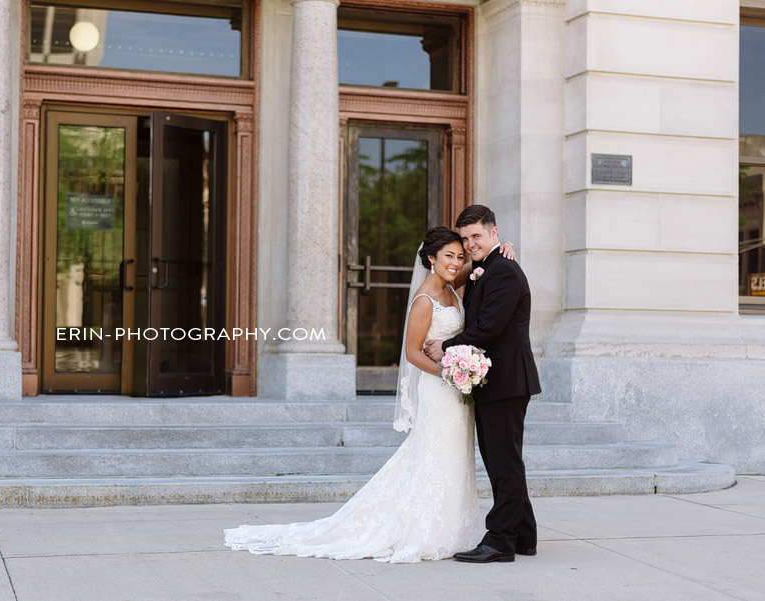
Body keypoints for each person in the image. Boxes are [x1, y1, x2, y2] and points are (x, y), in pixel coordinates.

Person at [224, 227, 480, 563]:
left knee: (454, 456)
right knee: (432, 455)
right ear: (431, 258)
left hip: (456, 394)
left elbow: (477, 265)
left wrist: (499, 246)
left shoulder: (451, 286)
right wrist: (449, 374)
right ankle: (422, 531)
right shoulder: (424, 299)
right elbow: (413, 354)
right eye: (449, 256)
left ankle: (451, 528)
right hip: (439, 388)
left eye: (460, 257)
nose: (456, 262)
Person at [425, 204, 541, 564]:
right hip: (496, 381)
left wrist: (443, 347)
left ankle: (500, 541)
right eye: (465, 238)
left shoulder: (502, 271)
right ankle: (524, 535)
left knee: (503, 462)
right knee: (503, 460)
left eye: (477, 236)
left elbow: (488, 327)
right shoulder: (485, 268)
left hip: (506, 380)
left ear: (493, 233)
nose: (470, 243)